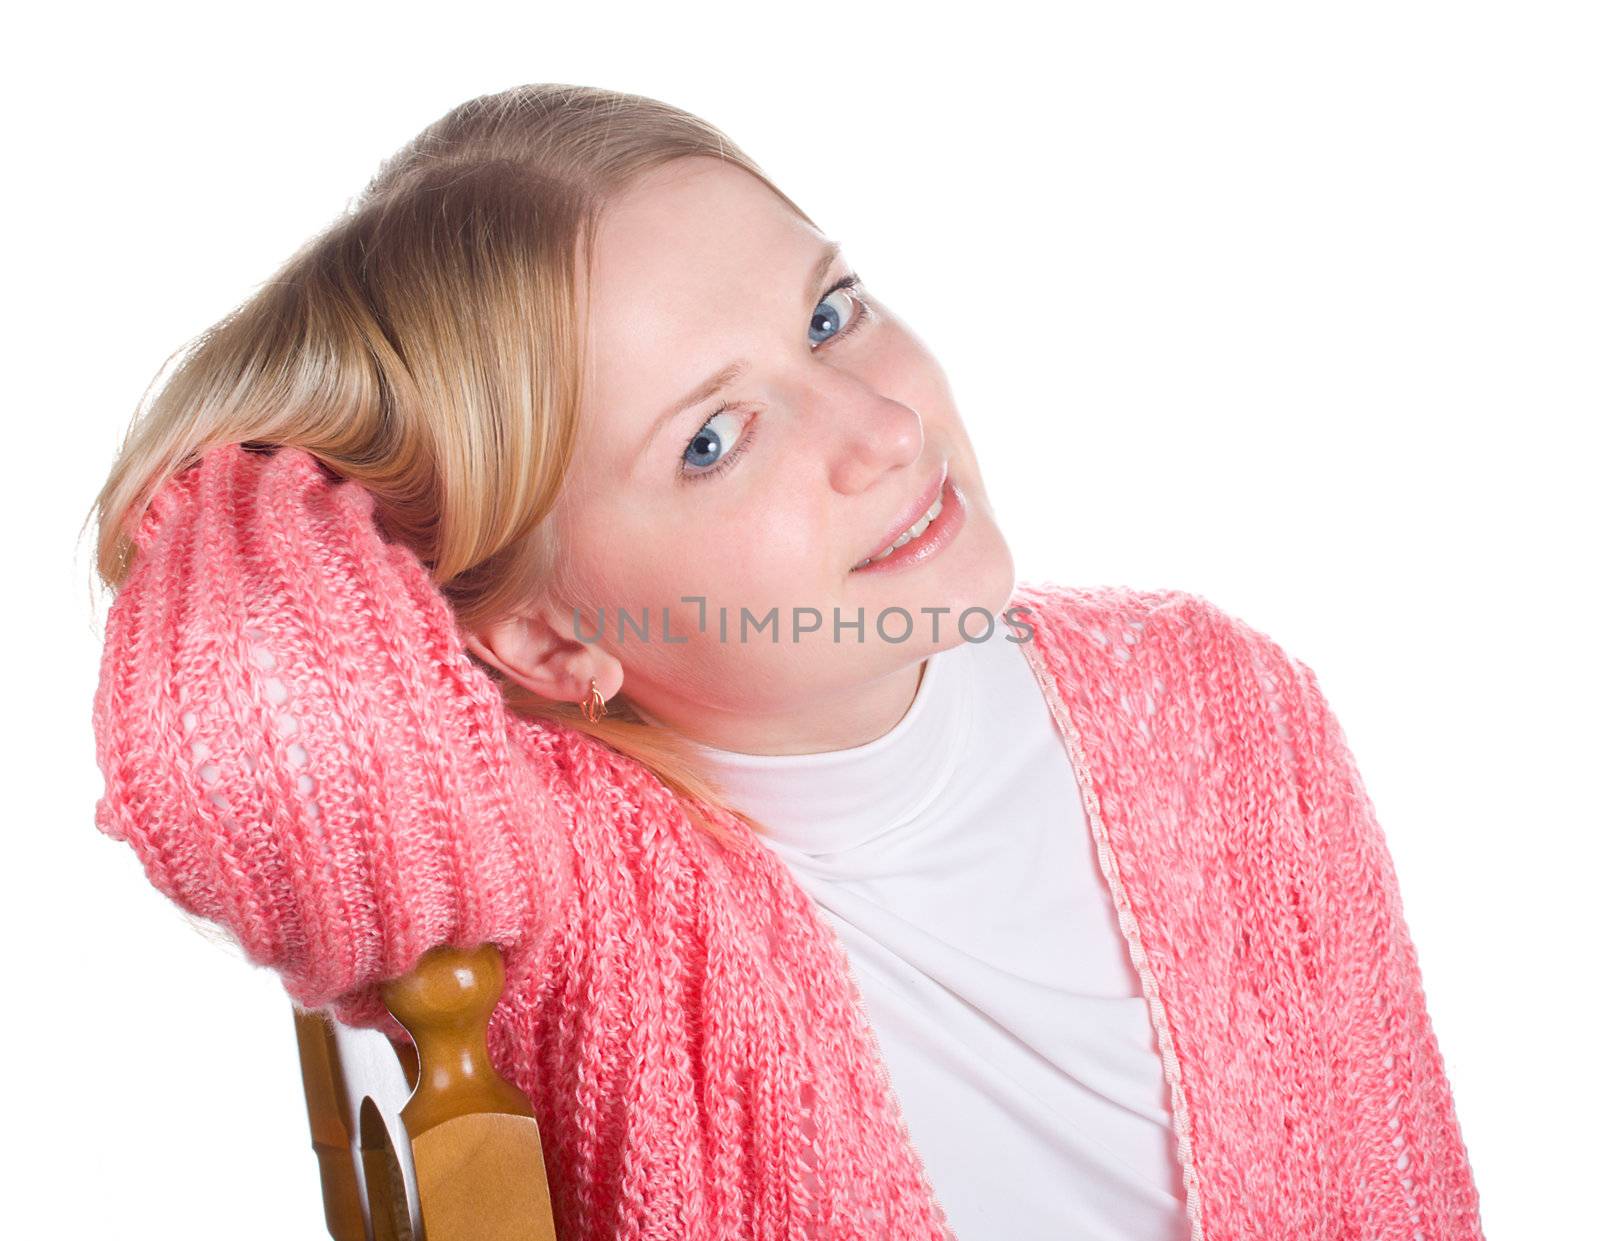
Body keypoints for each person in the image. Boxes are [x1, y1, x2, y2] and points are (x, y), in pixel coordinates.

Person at [86, 84, 1485, 1239]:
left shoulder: (1223, 707)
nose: (879, 426)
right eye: (712, 436)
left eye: (829, 313)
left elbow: (1415, 1188)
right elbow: (246, 733)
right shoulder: (572, 901)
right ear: (553, 637)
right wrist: (256, 466)